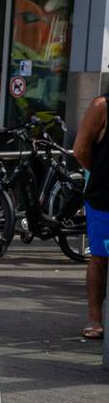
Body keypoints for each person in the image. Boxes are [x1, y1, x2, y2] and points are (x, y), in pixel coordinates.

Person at [73, 92, 109, 339]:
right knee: (100, 257)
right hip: (104, 197)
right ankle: (95, 317)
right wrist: (99, 172)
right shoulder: (101, 106)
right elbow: (80, 150)